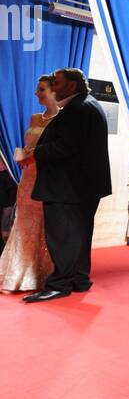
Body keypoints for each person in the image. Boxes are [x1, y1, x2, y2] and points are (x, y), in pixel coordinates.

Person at [22, 68, 112, 303]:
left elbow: (66, 146)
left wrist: (35, 153)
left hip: (68, 187)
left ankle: (58, 284)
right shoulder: (88, 104)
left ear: (71, 86)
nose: (53, 86)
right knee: (80, 236)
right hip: (84, 186)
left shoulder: (77, 109)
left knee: (62, 237)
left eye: (57, 82)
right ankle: (79, 280)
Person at [0, 75, 59, 292]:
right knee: (23, 222)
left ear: (54, 91)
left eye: (41, 89)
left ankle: (41, 271)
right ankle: (17, 270)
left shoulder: (62, 119)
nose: (36, 93)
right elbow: (30, 147)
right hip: (28, 176)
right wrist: (24, 157)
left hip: (48, 178)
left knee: (44, 224)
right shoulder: (35, 118)